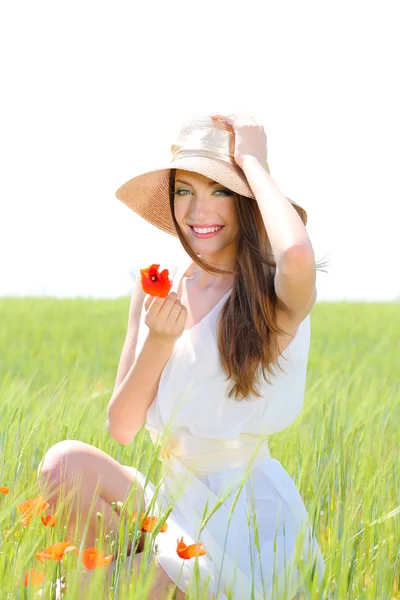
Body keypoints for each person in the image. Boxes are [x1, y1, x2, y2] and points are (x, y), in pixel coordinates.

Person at [37, 113, 326, 599]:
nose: (198, 209)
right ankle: (108, 576)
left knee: (101, 590)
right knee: (62, 465)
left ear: (248, 202)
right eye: (184, 191)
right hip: (172, 495)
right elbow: (123, 427)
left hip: (241, 512)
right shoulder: (158, 283)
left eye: (220, 191)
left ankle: (104, 584)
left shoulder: (271, 297)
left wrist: (254, 163)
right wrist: (159, 340)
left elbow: (298, 255)